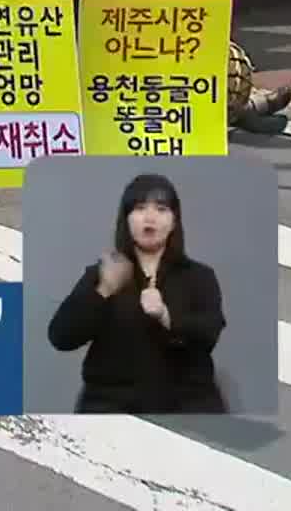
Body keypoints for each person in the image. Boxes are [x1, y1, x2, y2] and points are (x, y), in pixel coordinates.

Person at [48, 172, 226, 414]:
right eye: (140, 208)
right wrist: (104, 290)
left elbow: (209, 334)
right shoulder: (103, 273)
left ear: (174, 221)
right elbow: (61, 337)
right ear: (127, 219)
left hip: (185, 403)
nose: (150, 217)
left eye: (161, 209)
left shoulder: (198, 276)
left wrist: (166, 317)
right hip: (112, 403)